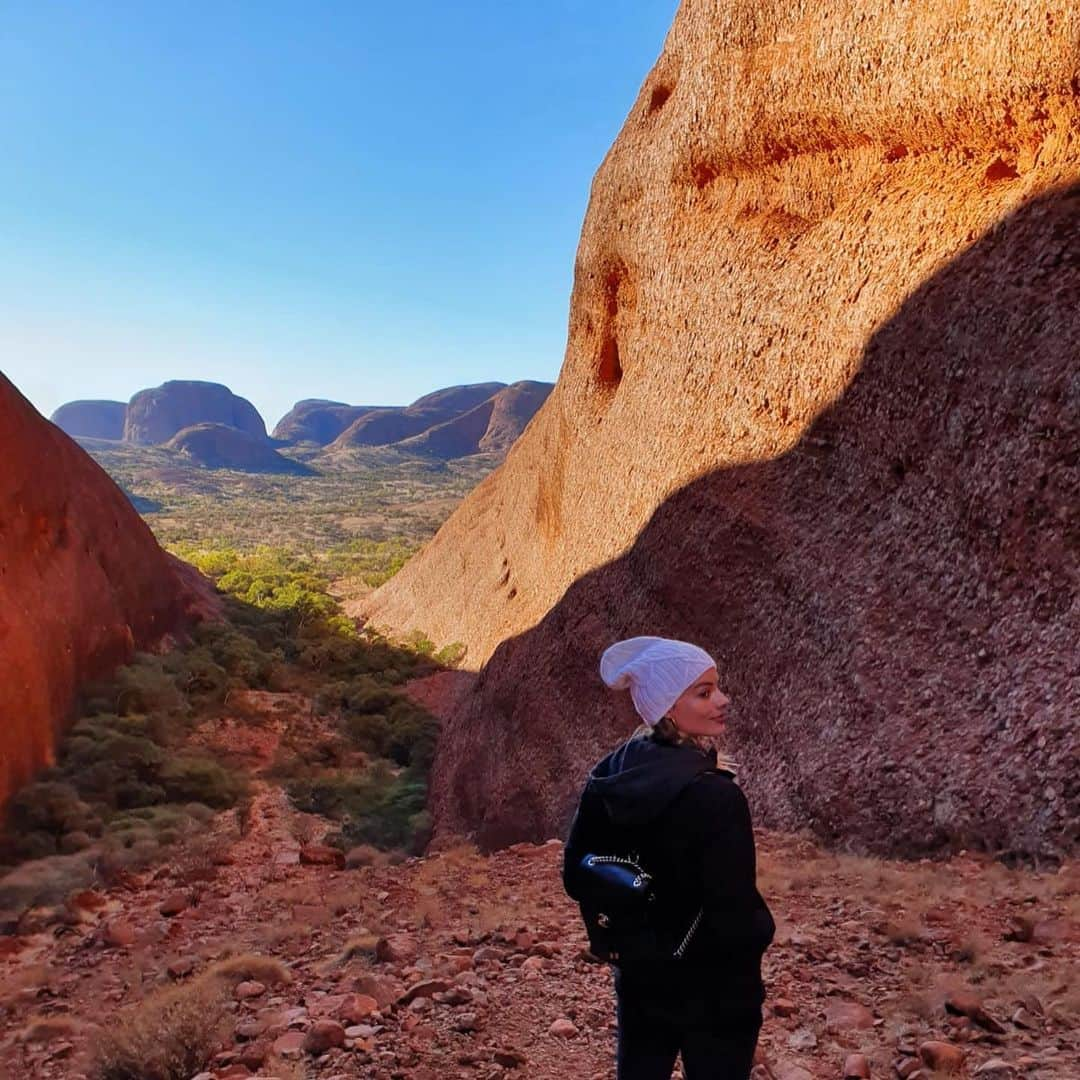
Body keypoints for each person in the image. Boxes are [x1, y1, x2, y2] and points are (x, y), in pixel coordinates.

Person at [562, 636, 775, 1080]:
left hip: (641, 977)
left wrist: (629, 923)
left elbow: (576, 872)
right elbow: (732, 915)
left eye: (716, 687)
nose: (722, 700)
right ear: (667, 708)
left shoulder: (610, 775)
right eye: (703, 692)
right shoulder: (717, 796)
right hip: (715, 993)